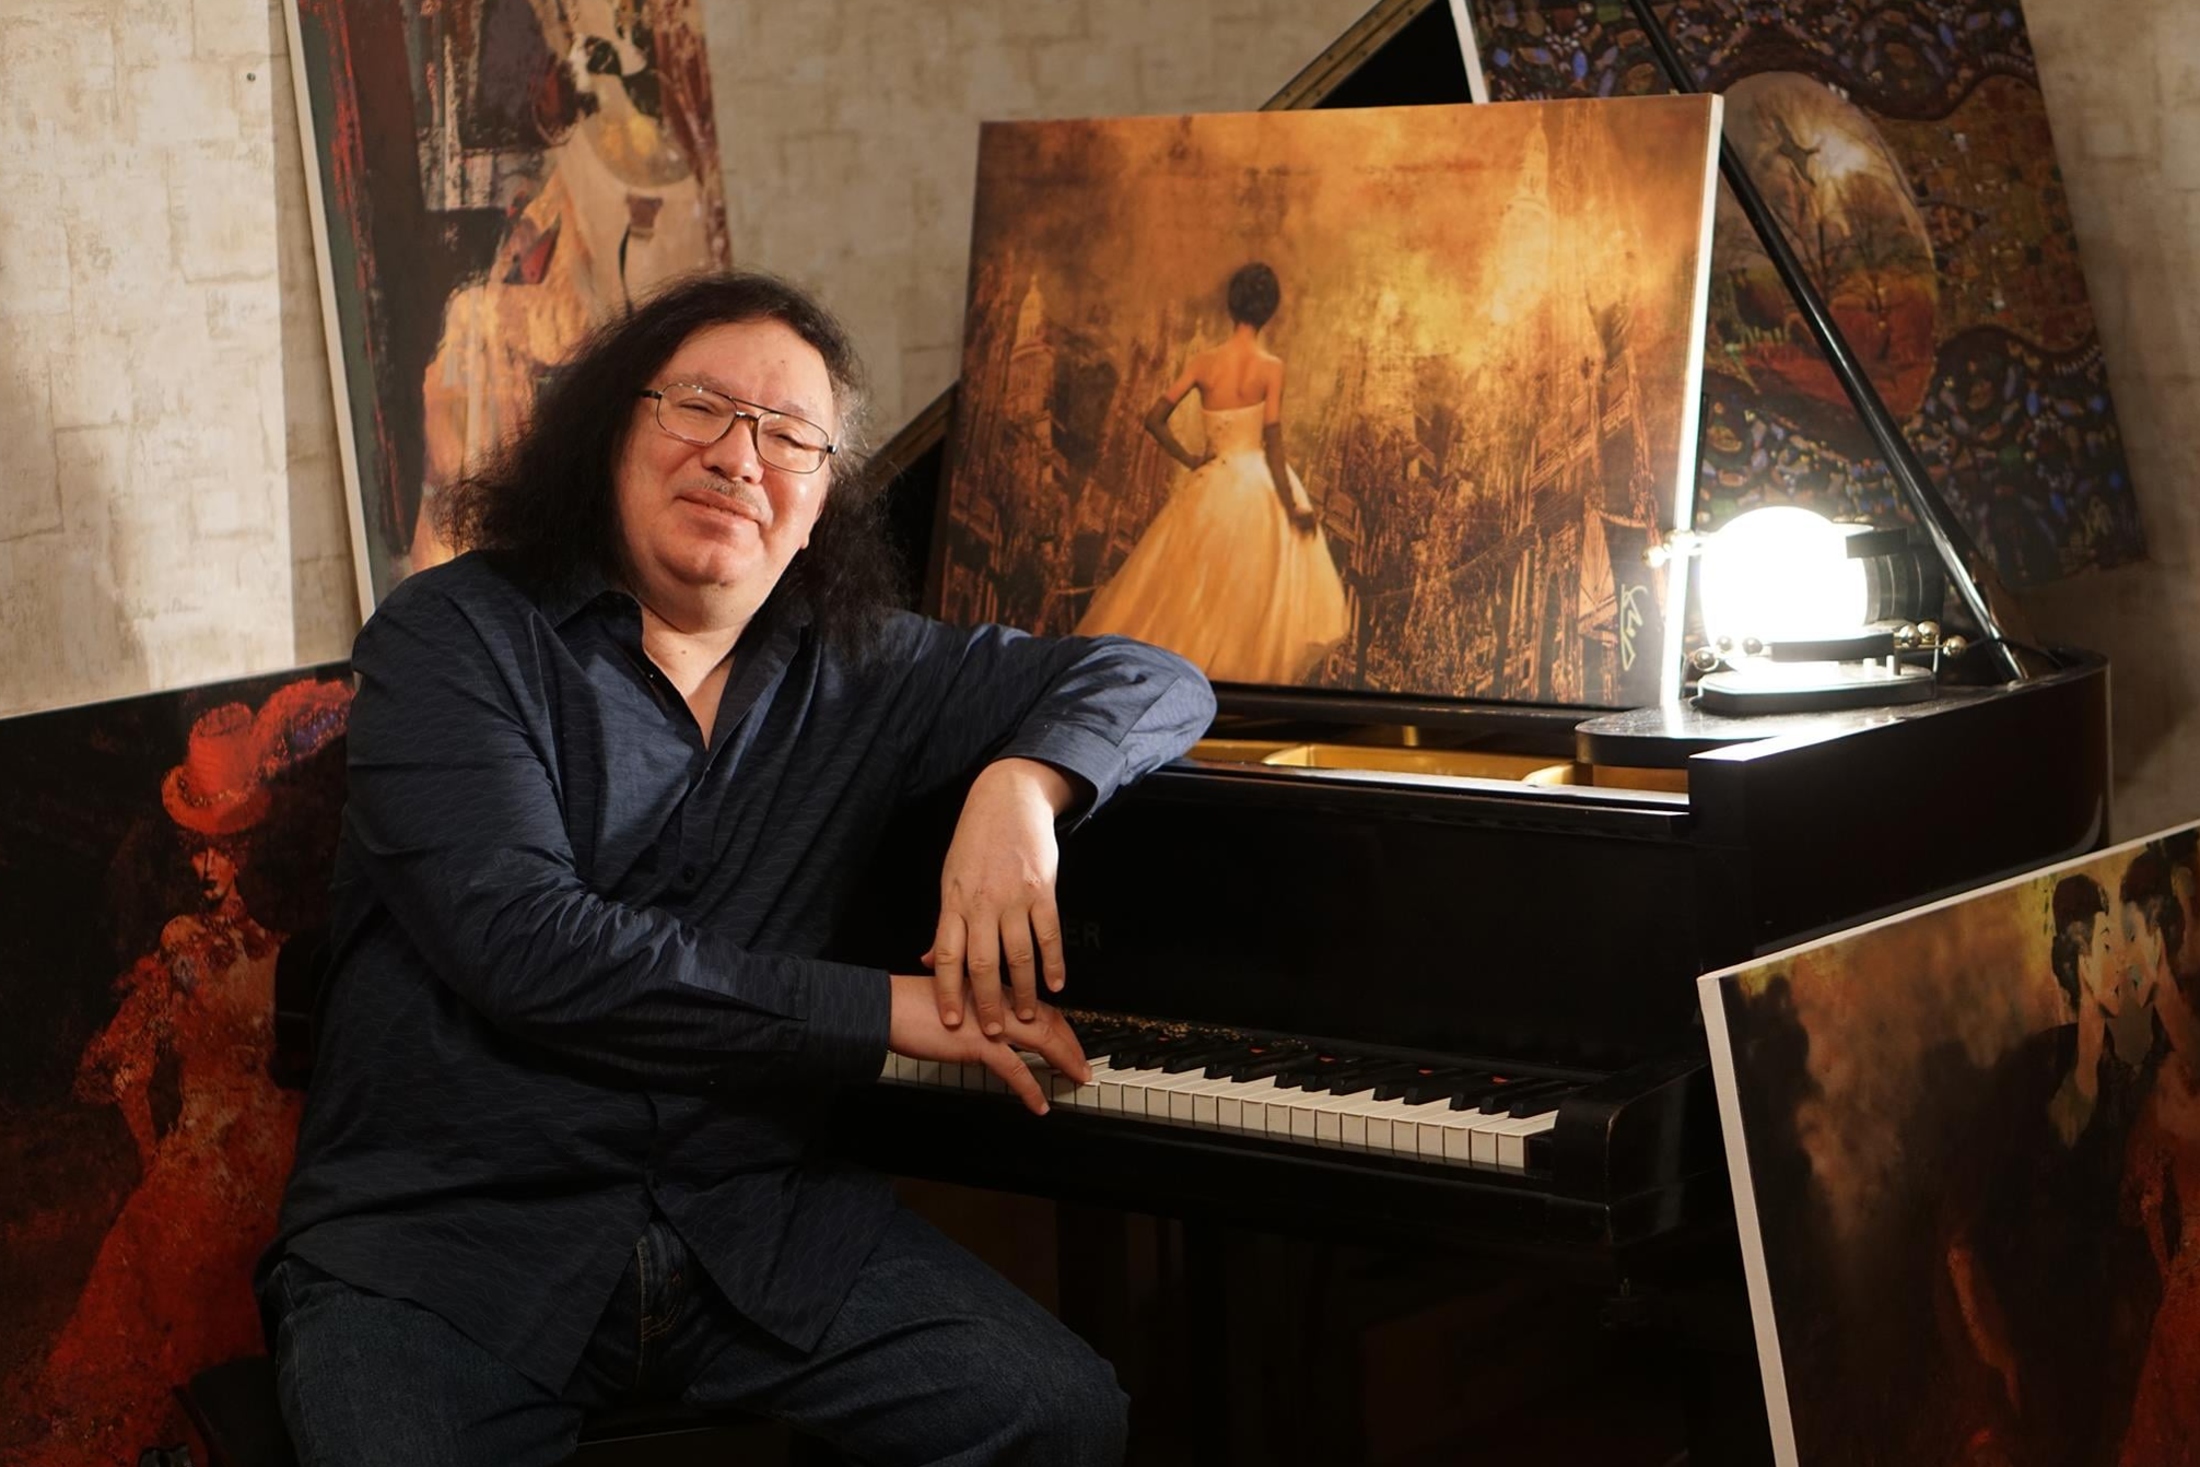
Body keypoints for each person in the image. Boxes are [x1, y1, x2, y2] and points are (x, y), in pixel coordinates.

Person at [259, 271, 1214, 1466]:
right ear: (612, 432)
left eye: (789, 435)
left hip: (750, 1231)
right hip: (453, 1246)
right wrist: (884, 1011)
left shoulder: (868, 667)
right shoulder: (452, 637)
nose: (737, 456)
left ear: (820, 504)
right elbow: (529, 948)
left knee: (1054, 1411)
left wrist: (1024, 783)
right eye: (699, 407)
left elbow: (1163, 679)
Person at [1074, 262, 1349, 685]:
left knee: (1193, 593)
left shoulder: (1203, 363)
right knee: (1249, 598)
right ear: (1269, 310)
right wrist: (1293, 507)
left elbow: (1154, 419)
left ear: (1231, 305)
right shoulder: (1270, 367)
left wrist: (1190, 460)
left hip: (1212, 483)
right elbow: (1273, 445)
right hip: (1257, 486)